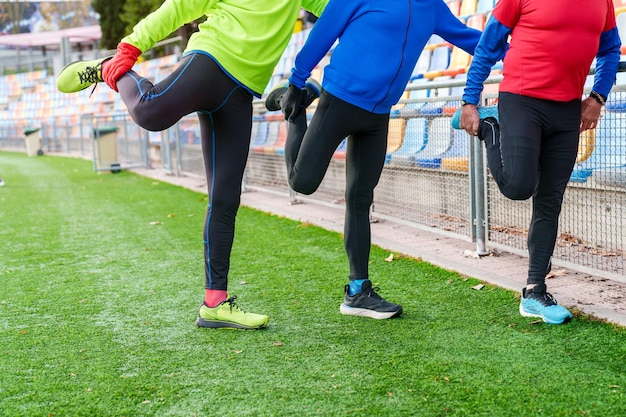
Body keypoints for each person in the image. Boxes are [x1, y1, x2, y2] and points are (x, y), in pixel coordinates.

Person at [56, 1, 329, 330]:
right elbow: (178, 7)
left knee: (226, 198)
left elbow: (339, 11)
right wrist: (129, 48)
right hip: (210, 61)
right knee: (148, 111)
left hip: (241, 92)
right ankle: (110, 70)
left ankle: (215, 304)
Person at [265, 0, 483, 319]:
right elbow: (323, 34)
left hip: (378, 116)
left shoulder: (432, 7)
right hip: (340, 99)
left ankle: (358, 292)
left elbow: (473, 40)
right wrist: (296, 82)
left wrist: (527, 49)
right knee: (303, 182)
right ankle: (294, 109)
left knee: (359, 199)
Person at [457, 0, 621, 324]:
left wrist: (597, 97)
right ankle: (492, 129)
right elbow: (489, 43)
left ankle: (534, 291)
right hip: (522, 100)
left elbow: (611, 50)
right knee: (520, 186)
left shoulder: (603, 2)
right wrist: (468, 100)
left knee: (550, 201)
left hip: (568, 109)